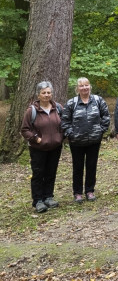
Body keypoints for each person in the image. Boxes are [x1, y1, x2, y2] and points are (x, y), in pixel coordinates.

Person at [62, 78, 110, 203]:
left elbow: (105, 116)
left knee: (91, 165)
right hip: (77, 142)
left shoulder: (98, 101)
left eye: (86, 85)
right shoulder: (72, 103)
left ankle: (90, 190)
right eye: (81, 86)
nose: (84, 88)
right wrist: (71, 134)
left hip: (94, 141)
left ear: (90, 86)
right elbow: (65, 121)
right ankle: (77, 192)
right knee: (77, 167)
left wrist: (101, 131)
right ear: (77, 88)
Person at [21, 81, 64, 213]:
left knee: (51, 173)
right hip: (38, 149)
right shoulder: (32, 111)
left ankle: (48, 197)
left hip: (55, 147)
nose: (46, 95)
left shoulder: (58, 108)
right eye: (43, 93)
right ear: (38, 95)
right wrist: (36, 139)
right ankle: (38, 200)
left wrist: (61, 137)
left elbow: (64, 123)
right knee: (38, 174)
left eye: (49, 92)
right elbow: (25, 129)